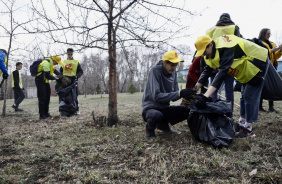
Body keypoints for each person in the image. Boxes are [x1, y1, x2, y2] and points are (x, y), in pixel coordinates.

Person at [194, 34, 270, 138]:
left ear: (210, 45)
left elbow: (221, 73)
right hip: (246, 67)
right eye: (201, 53)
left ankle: (248, 130)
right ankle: (242, 123)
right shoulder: (209, 55)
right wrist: (195, 88)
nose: (204, 55)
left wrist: (205, 96)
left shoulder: (225, 47)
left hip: (258, 60)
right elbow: (207, 70)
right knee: (244, 95)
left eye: (204, 52)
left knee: (250, 96)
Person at [142, 51, 196, 140]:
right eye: (171, 65)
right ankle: (149, 129)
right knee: (156, 115)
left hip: (164, 108)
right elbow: (156, 96)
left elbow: (175, 95)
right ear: (164, 63)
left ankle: (163, 124)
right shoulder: (155, 70)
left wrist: (185, 94)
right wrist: (179, 93)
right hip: (150, 108)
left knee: (187, 110)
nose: (174, 68)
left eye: (176, 65)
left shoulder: (173, 72)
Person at [206, 13, 240, 110]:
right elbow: (238, 43)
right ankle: (229, 112)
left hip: (215, 64)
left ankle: (213, 110)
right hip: (230, 64)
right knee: (229, 90)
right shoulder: (234, 28)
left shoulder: (212, 29)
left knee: (214, 88)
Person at [258, 28, 282, 113]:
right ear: (263, 33)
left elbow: (275, 57)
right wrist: (272, 50)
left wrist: (280, 51)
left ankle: (271, 107)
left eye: (270, 34)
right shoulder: (259, 43)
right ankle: (260, 107)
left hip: (272, 68)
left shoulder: (272, 43)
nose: (269, 35)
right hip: (263, 68)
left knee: (271, 86)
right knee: (262, 87)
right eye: (268, 33)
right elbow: (261, 53)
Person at [35, 55, 62, 120]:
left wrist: (62, 76)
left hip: (46, 82)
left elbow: (56, 72)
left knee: (47, 98)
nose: (57, 63)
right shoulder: (46, 63)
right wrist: (55, 78)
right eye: (57, 62)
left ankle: (46, 113)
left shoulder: (51, 64)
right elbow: (47, 75)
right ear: (53, 60)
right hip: (40, 82)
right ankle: (42, 115)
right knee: (42, 98)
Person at [60, 48, 83, 115]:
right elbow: (61, 71)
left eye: (71, 54)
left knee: (75, 96)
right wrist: (61, 78)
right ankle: (66, 111)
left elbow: (80, 71)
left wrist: (76, 76)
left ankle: (77, 110)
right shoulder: (63, 62)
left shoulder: (76, 62)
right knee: (65, 96)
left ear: (73, 53)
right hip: (65, 82)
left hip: (73, 81)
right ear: (66, 53)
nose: (70, 55)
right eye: (68, 54)